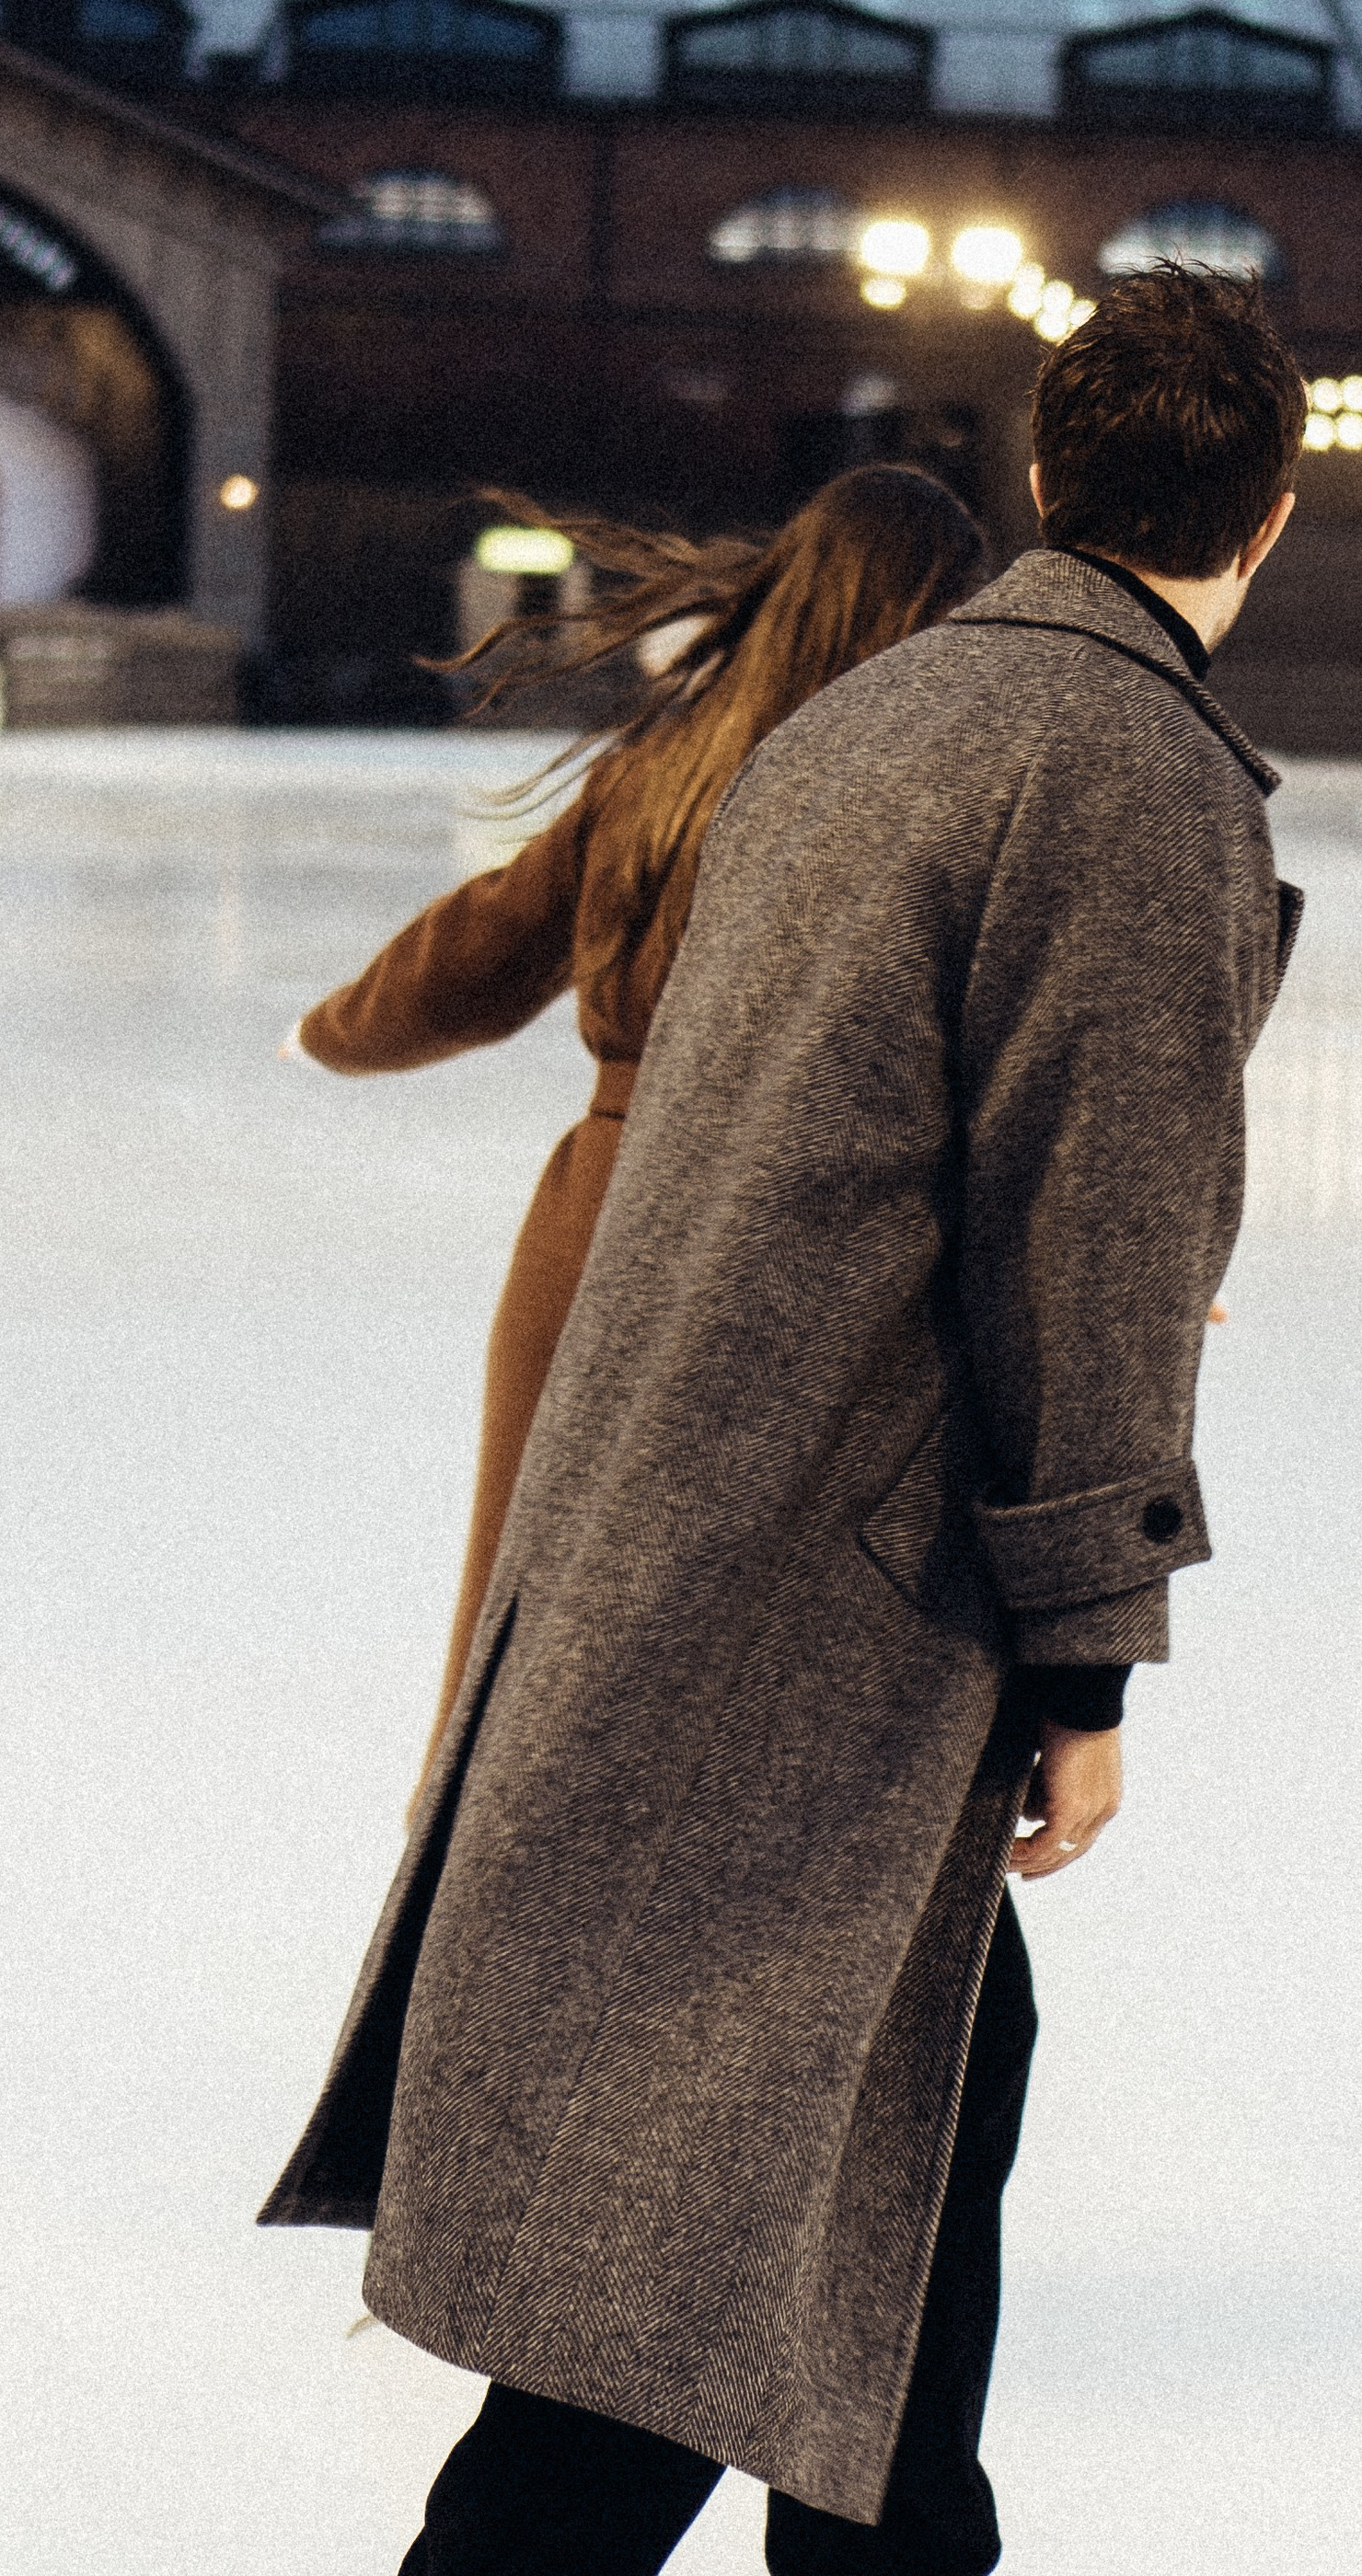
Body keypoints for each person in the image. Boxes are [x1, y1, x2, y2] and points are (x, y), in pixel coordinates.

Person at [261, 267, 1307, 2576]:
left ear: (1045, 479)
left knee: (932, 2100)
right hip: (844, 1602)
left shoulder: (844, 728)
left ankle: (900, 2534)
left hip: (678, 1507)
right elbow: (1083, 1250)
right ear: (1275, 513)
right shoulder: (1130, 771)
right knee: (648, 2335)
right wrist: (1082, 1663)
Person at [284, 465, 990, 1788]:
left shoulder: (661, 771)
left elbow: (473, 959)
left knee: (535, 1633)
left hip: (603, 1227)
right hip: (818, 1248)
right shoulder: (933, 809)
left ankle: (485, 1930)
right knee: (755, 1666)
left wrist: (328, 1029)